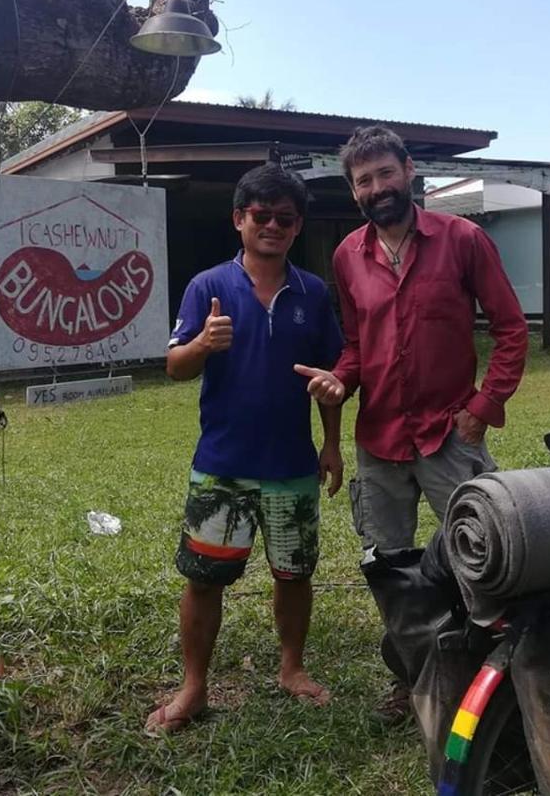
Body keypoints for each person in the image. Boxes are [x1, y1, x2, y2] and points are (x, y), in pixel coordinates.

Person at [295, 125, 528, 720]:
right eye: (364, 180)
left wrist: (483, 408)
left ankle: (502, 680)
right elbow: (355, 344)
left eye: (386, 173)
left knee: (485, 553)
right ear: (354, 192)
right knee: (391, 568)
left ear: (409, 173)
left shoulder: (463, 239)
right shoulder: (348, 256)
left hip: (449, 433)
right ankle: (412, 678)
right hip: (379, 440)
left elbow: (510, 329)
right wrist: (340, 380)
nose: (378, 187)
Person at [146, 163, 345, 734]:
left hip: (291, 466)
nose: (273, 226)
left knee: (294, 574)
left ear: (297, 226)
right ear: (239, 219)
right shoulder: (208, 286)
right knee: (204, 578)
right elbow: (175, 368)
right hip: (223, 467)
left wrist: (331, 445)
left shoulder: (312, 292)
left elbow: (329, 378)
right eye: (262, 215)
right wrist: (204, 344)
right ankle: (194, 687)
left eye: (285, 218)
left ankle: (292, 669)